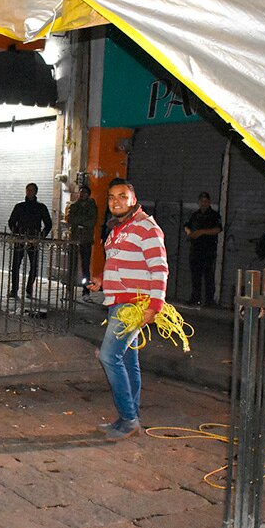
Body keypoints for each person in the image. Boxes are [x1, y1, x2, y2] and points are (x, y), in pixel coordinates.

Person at [86, 179, 168, 442]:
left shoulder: (146, 227)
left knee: (109, 357)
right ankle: (127, 418)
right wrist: (101, 278)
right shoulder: (118, 229)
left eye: (122, 196)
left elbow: (159, 269)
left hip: (133, 306)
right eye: (111, 197)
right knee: (129, 361)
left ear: (134, 199)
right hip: (117, 302)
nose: (116, 201)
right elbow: (120, 264)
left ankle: (129, 418)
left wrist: (155, 306)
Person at [8, 183, 53, 299]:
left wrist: (41, 236)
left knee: (34, 266)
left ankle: (29, 289)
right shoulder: (20, 206)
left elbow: (48, 224)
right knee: (16, 265)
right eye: (28, 190)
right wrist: (17, 232)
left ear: (36, 192)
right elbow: (11, 221)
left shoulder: (41, 207)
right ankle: (14, 289)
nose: (29, 192)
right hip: (21, 238)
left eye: (32, 190)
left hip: (34, 239)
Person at [184, 191, 222, 306]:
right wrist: (189, 233)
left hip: (208, 251)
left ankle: (209, 300)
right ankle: (195, 298)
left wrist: (201, 232)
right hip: (195, 250)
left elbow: (218, 229)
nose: (203, 203)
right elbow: (187, 226)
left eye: (205, 201)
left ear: (209, 202)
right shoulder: (195, 215)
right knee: (196, 276)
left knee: (208, 276)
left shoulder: (214, 215)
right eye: (201, 201)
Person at [66, 186, 98, 299]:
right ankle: (69, 290)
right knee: (71, 266)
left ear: (88, 194)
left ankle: (86, 291)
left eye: (84, 193)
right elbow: (70, 219)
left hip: (86, 240)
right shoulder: (74, 205)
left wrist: (79, 220)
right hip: (74, 239)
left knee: (85, 266)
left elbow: (92, 221)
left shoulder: (92, 206)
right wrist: (83, 221)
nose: (82, 194)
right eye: (81, 192)